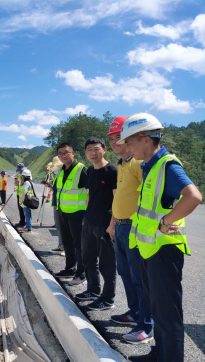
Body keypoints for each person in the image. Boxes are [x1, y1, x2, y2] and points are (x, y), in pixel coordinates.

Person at [118, 113, 202, 362]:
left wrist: (165, 222)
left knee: (168, 314)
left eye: (129, 142)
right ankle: (159, 354)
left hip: (164, 252)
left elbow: (194, 197)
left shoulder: (167, 164)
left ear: (145, 139)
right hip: (149, 250)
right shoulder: (149, 165)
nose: (126, 147)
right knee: (157, 308)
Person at [107, 116, 154, 344]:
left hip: (134, 228)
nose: (114, 144)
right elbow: (120, 197)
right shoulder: (122, 164)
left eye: (118, 138)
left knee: (140, 278)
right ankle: (134, 312)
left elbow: (148, 195)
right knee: (125, 273)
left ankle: (146, 324)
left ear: (129, 140)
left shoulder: (137, 163)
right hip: (121, 227)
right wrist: (113, 223)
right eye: (112, 140)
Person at [76, 137, 117, 308]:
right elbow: (89, 195)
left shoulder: (112, 171)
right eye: (89, 149)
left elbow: (118, 199)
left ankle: (108, 299)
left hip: (105, 224)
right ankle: (93, 290)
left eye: (97, 149)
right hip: (89, 222)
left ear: (104, 149)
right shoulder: (89, 172)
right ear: (85, 152)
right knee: (88, 259)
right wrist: (86, 218)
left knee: (107, 264)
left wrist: (113, 224)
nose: (93, 153)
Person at [49, 143, 88, 284]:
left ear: (73, 153)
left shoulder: (81, 170)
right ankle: (70, 268)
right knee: (67, 242)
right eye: (60, 153)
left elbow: (91, 192)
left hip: (78, 213)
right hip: (63, 212)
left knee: (79, 244)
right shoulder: (61, 170)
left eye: (66, 152)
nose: (63, 155)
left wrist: (87, 214)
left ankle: (81, 273)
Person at [48, 157, 65, 256]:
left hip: (61, 205)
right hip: (57, 203)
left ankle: (63, 247)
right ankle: (61, 246)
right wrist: (50, 186)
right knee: (59, 226)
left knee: (62, 227)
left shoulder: (62, 176)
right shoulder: (57, 177)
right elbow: (56, 190)